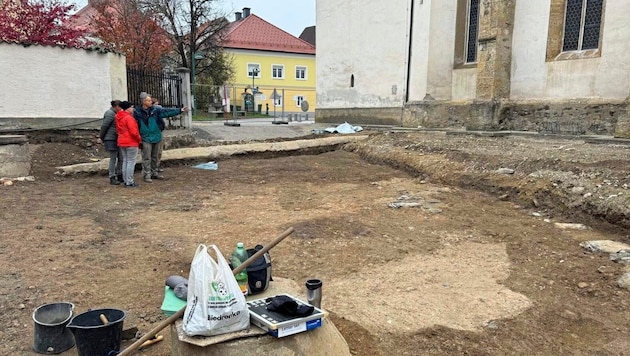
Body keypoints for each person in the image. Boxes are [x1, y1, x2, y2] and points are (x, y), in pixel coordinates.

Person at [134, 92, 186, 182]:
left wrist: (179, 110)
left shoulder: (156, 110)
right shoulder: (137, 112)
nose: (151, 102)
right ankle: (147, 174)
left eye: (150, 100)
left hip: (156, 136)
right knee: (146, 157)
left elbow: (167, 112)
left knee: (155, 156)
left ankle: (154, 172)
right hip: (145, 137)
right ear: (143, 101)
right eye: (148, 100)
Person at [115, 101, 142, 188]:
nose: (133, 109)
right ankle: (129, 181)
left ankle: (126, 180)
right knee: (131, 162)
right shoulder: (129, 118)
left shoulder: (119, 117)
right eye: (131, 107)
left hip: (122, 141)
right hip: (131, 142)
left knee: (125, 161)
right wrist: (139, 140)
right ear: (128, 108)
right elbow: (134, 132)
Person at [99, 100, 123, 185]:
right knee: (113, 158)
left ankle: (120, 174)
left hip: (117, 138)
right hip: (111, 138)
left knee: (121, 157)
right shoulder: (110, 113)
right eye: (119, 107)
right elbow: (104, 126)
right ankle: (112, 176)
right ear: (116, 106)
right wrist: (102, 137)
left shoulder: (115, 113)